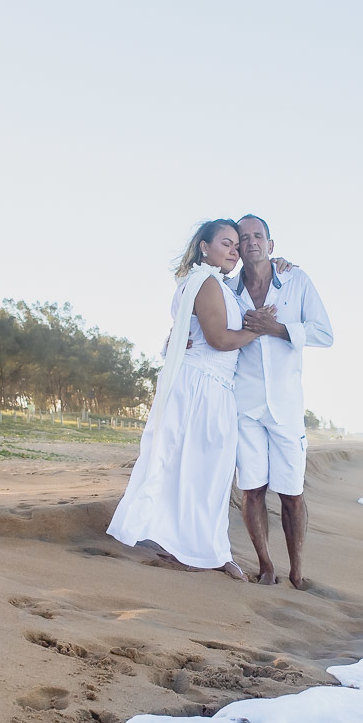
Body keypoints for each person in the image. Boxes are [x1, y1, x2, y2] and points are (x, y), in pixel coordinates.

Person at [107, 219, 275, 579]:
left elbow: (190, 334)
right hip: (202, 386)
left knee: (205, 473)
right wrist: (255, 329)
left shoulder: (214, 284)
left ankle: (203, 547)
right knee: (195, 470)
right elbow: (218, 339)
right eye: (226, 243)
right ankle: (195, 549)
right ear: (204, 247)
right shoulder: (207, 282)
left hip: (212, 387)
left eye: (236, 245)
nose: (234, 250)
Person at [229, 214, 333, 589]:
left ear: (271, 246)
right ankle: (266, 565)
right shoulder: (227, 289)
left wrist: (277, 328)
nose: (251, 241)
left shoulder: (296, 281)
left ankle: (297, 569)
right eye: (244, 237)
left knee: (292, 493)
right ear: (237, 247)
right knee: (252, 489)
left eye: (259, 236)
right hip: (246, 405)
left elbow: (325, 334)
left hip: (287, 406)